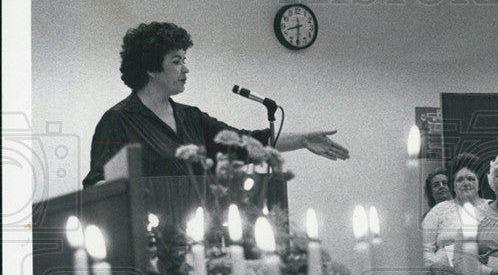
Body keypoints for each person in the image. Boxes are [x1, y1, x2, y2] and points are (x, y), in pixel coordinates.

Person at [84, 22, 348, 187]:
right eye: (176, 61)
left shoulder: (191, 118)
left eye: (185, 60)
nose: (186, 69)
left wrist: (303, 139)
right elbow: (97, 185)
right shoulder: (118, 121)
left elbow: (245, 143)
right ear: (151, 69)